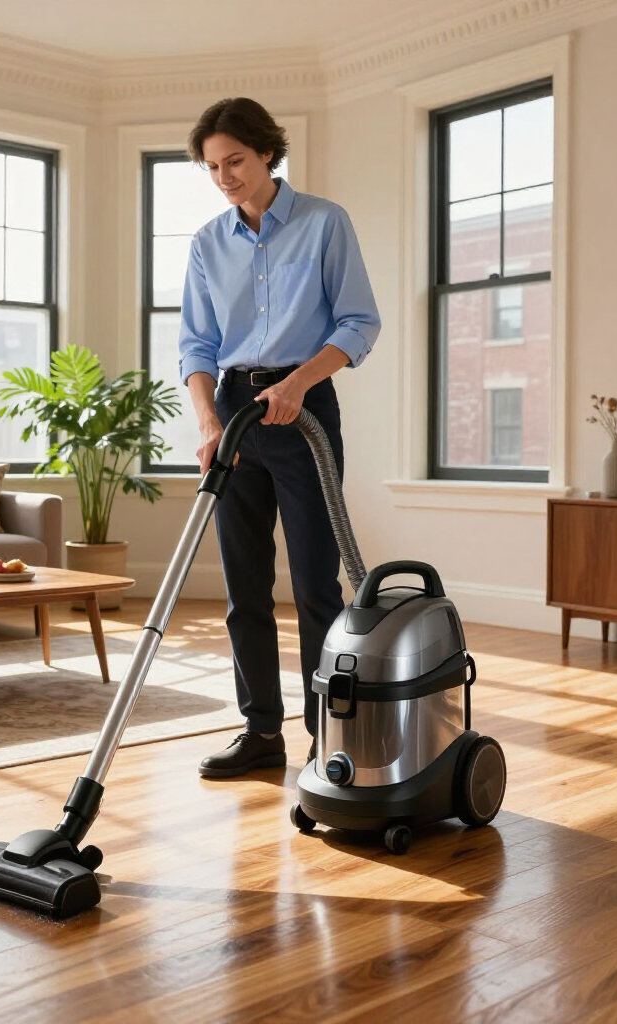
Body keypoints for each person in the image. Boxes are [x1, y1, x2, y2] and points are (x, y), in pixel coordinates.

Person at [178, 97, 381, 778]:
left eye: (234, 160)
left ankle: (331, 735)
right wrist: (208, 421)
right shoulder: (207, 244)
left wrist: (298, 383)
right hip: (235, 412)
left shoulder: (325, 223)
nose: (224, 176)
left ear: (267, 152)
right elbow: (198, 344)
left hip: (306, 410)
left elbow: (357, 323)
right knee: (245, 588)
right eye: (212, 166)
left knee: (319, 583)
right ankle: (261, 731)